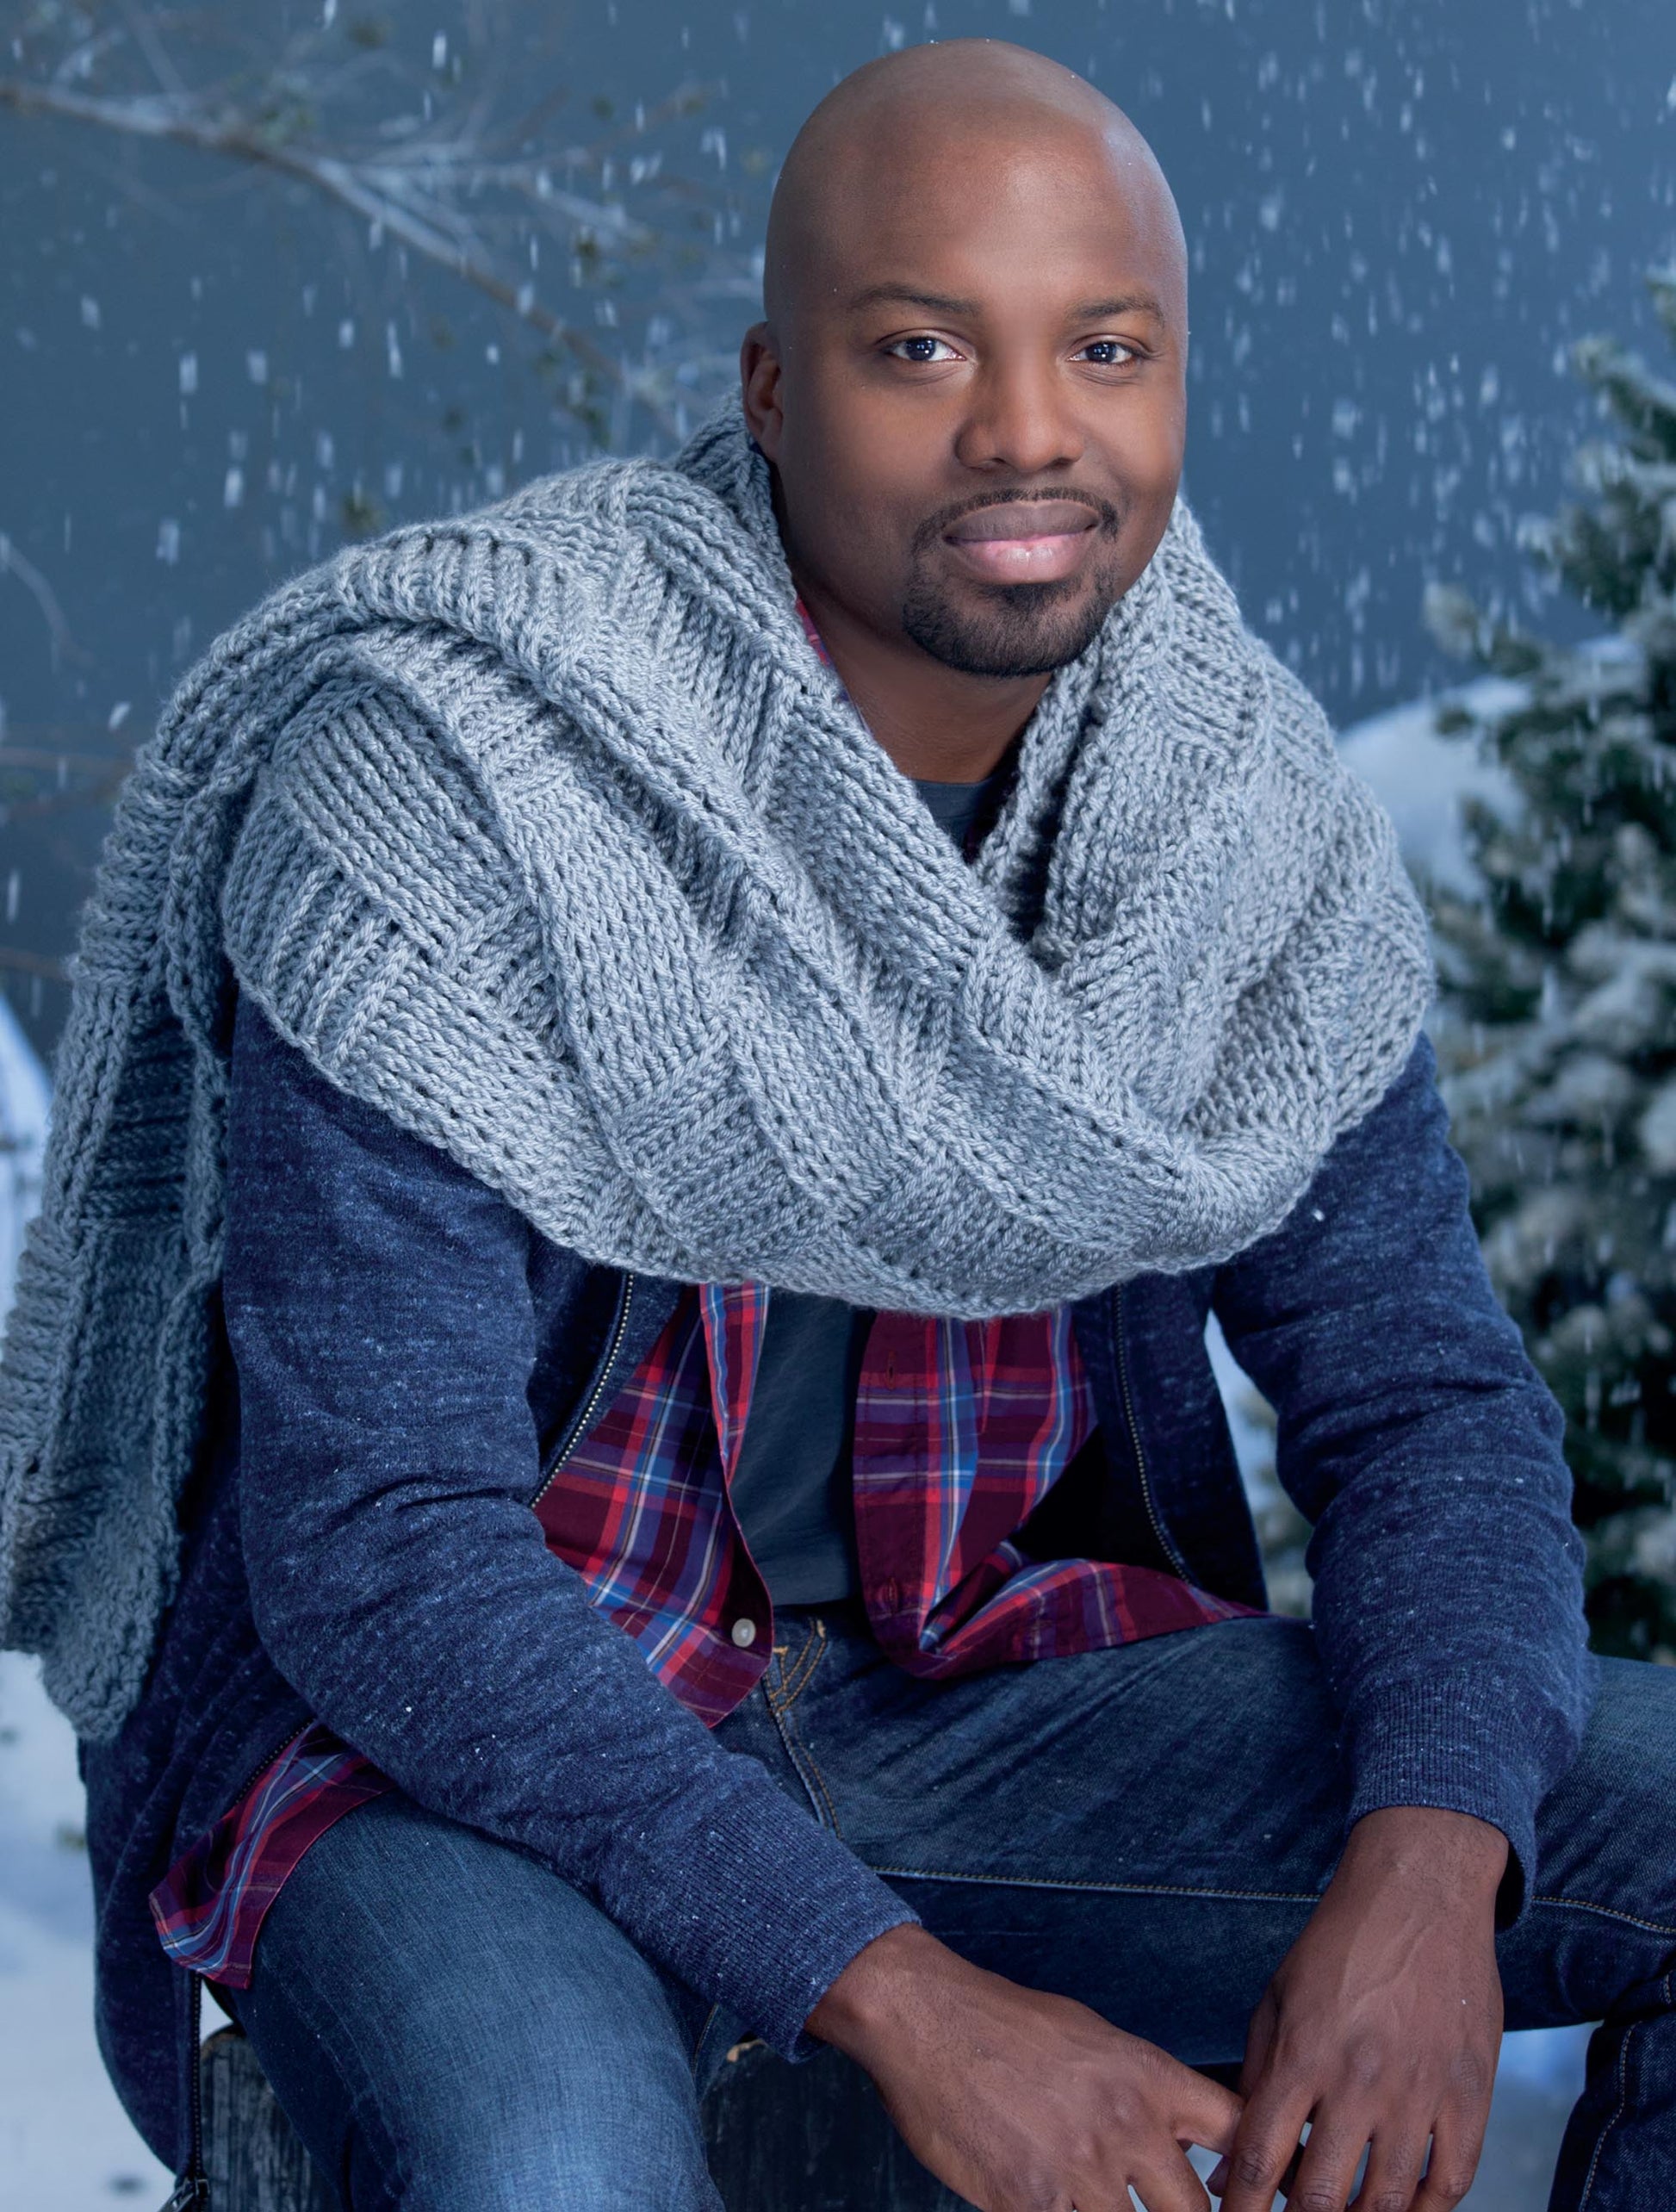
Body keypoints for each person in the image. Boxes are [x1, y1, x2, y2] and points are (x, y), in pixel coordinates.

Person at [3, 36, 1672, 2212]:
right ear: (771, 387)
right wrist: (900, 1996)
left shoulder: (1231, 826)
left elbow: (1422, 1397)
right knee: (547, 2155)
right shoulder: (449, 784)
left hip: (965, 1691)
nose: (1027, 433)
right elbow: (382, 1551)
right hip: (454, 1749)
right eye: (918, 347)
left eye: (1105, 346)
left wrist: (1433, 1860)